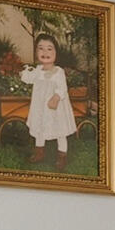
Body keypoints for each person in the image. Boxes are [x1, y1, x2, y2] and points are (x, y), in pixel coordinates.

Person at [19, 35, 78, 166]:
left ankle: (62, 155)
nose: (45, 53)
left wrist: (56, 97)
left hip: (55, 108)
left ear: (56, 52)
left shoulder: (58, 72)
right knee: (40, 126)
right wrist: (23, 73)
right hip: (40, 107)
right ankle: (39, 152)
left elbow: (62, 88)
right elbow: (28, 79)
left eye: (49, 49)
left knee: (59, 130)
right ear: (36, 52)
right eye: (41, 49)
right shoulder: (38, 70)